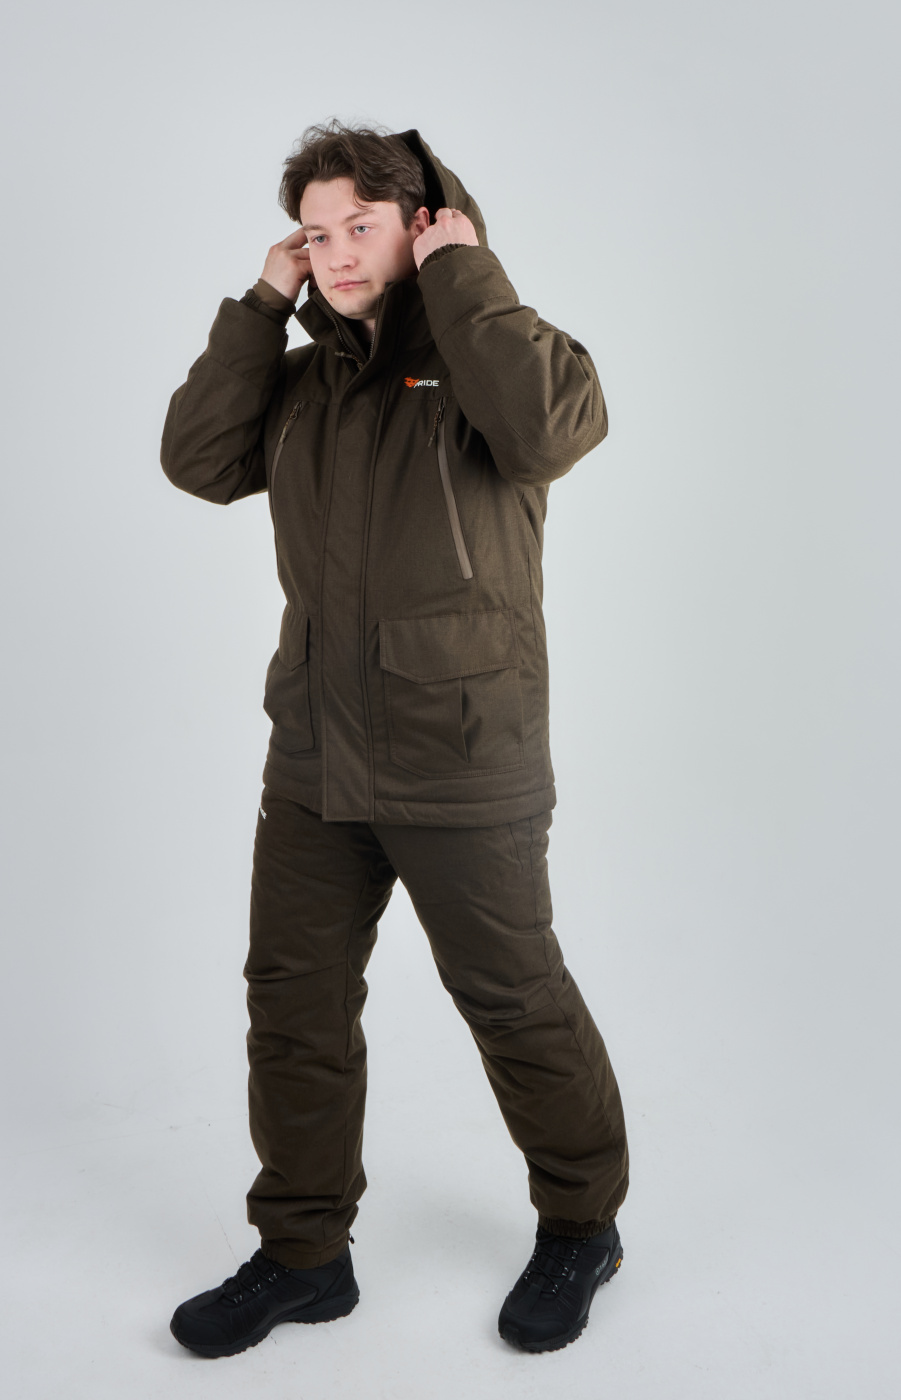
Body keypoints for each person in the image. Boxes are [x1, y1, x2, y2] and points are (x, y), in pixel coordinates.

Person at [160, 120, 629, 1357]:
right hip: (318, 753)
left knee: (512, 998)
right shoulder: (305, 384)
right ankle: (302, 1253)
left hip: (462, 749)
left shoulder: (494, 356)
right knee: (293, 1003)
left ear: (423, 224)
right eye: (314, 233)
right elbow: (197, 459)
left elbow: (549, 432)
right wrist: (260, 307)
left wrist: (464, 271)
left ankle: (582, 1222)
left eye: (358, 226)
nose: (332, 252)